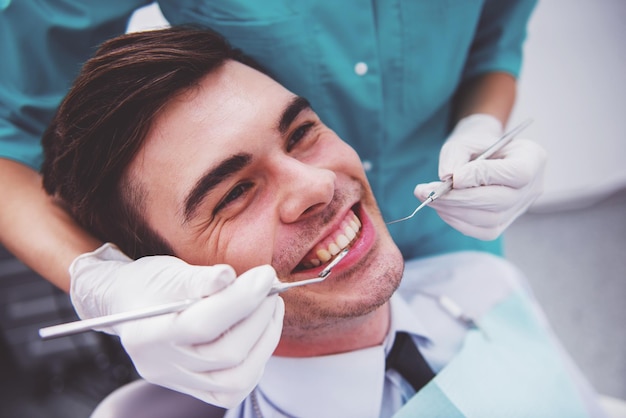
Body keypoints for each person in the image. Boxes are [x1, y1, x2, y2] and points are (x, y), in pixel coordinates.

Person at [0, 0, 546, 407]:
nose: (316, 186)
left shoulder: (487, 289)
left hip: (445, 221)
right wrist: (106, 282)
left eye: (302, 131)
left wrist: (482, 124)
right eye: (235, 191)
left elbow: (497, 32)